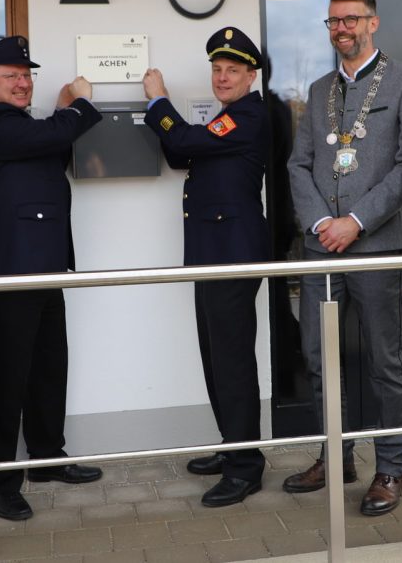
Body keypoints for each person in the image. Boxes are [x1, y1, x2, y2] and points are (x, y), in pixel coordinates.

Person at [285, 0, 402, 515]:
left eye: (350, 20)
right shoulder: (320, 85)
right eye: (332, 22)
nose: (341, 29)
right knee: (321, 361)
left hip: (379, 245)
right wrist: (324, 222)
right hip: (322, 247)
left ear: (372, 23)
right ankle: (336, 455)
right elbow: (298, 165)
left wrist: (356, 221)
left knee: (384, 362)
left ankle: (390, 466)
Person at [0, 36, 103, 521]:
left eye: (27, 76)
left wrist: (62, 113)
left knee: (48, 363)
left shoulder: (21, 124)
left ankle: (46, 457)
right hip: (11, 271)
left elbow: (51, 142)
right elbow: (53, 136)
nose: (23, 83)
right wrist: (80, 102)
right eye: (12, 76)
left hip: (43, 264)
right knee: (8, 376)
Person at [141, 27, 271, 507]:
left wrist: (158, 102)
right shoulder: (228, 116)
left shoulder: (249, 115)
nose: (222, 77)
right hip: (212, 250)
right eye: (217, 69)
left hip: (233, 253)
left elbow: (187, 142)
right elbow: (188, 151)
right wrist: (181, 135)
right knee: (215, 355)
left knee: (232, 360)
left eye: (232, 70)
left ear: (250, 76)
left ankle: (246, 467)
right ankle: (233, 445)